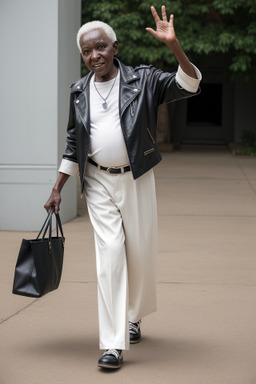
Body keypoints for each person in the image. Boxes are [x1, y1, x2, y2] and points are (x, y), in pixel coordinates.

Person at [44, 5, 201, 370]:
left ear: (114, 47)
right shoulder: (79, 92)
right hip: (97, 181)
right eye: (86, 51)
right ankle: (112, 343)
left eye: (100, 47)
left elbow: (189, 84)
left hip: (137, 176)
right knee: (110, 255)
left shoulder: (143, 80)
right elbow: (73, 143)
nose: (94, 56)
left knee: (140, 255)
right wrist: (58, 188)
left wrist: (175, 46)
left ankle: (134, 316)